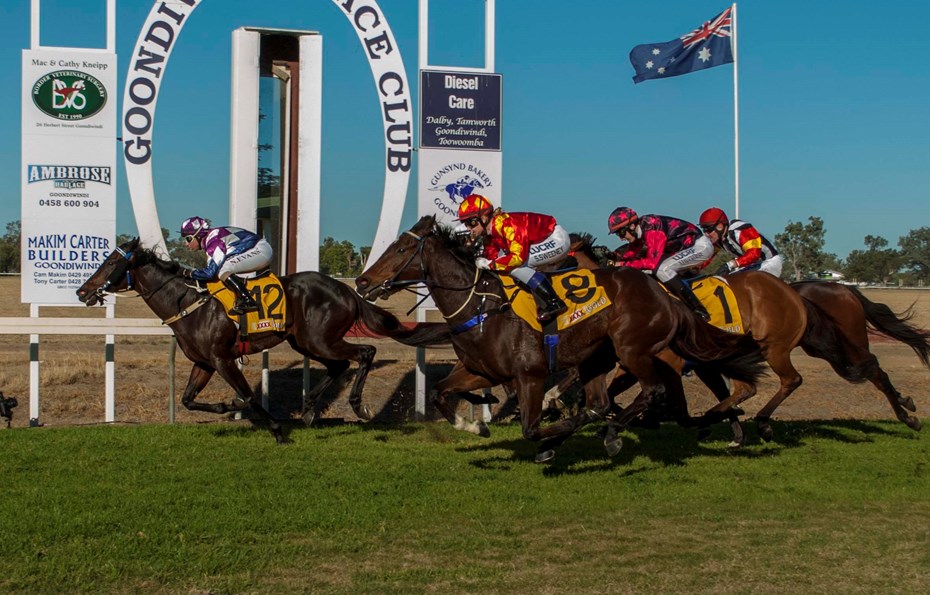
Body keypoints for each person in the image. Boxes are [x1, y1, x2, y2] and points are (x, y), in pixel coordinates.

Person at [455, 194, 570, 323]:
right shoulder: (489, 233)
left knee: (515, 268)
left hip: (556, 239)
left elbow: (517, 258)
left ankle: (555, 302)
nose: (469, 228)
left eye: (471, 222)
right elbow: (490, 256)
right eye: (465, 224)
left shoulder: (508, 224)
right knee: (502, 262)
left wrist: (490, 264)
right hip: (541, 240)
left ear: (484, 217)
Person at [607, 206, 713, 321]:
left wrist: (621, 265)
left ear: (631, 226)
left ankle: (698, 309)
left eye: (621, 233)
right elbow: (632, 252)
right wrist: (614, 258)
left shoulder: (652, 227)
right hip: (684, 249)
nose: (621, 238)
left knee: (662, 269)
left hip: (700, 247)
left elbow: (652, 263)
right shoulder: (641, 229)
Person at [178, 216, 274, 315]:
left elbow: (210, 273)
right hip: (256, 248)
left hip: (260, 250)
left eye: (188, 239)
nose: (186, 244)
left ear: (198, 235)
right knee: (222, 269)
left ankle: (247, 300)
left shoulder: (213, 241)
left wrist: (188, 272)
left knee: (223, 270)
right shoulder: (211, 238)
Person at [698, 207, 784, 278]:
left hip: (769, 262)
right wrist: (693, 268)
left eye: (708, 229)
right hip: (754, 265)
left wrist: (730, 264)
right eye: (704, 229)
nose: (706, 234)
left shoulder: (740, 230)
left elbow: (754, 253)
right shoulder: (718, 239)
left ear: (720, 226)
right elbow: (706, 258)